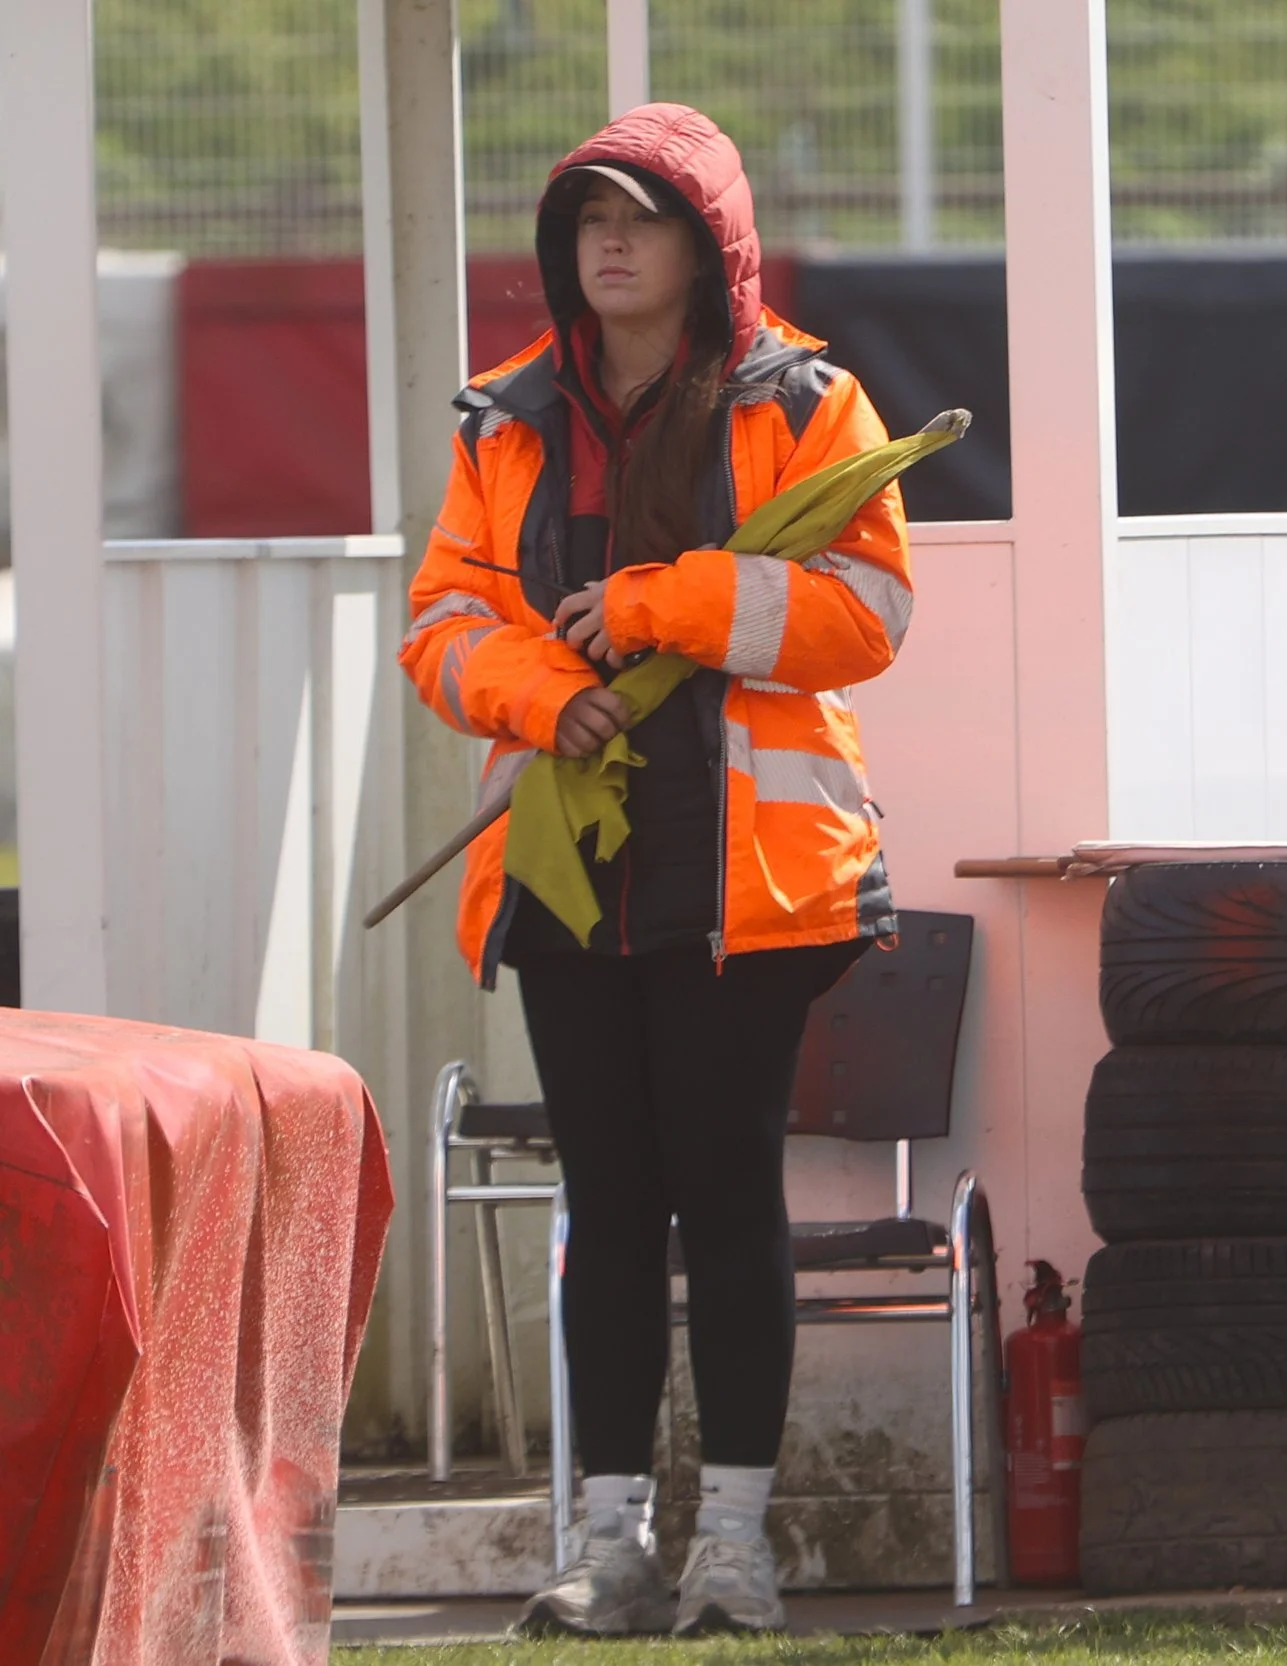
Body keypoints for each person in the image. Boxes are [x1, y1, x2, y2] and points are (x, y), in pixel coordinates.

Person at [398, 103, 914, 1638]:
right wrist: (547, 692)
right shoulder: (500, 414)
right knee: (608, 1202)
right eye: (583, 219)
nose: (606, 241)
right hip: (567, 874)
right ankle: (609, 1541)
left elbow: (868, 612)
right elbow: (441, 624)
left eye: (642, 215)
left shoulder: (807, 399)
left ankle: (734, 1546)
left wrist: (664, 606)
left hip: (748, 877)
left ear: (713, 245)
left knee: (726, 1195)